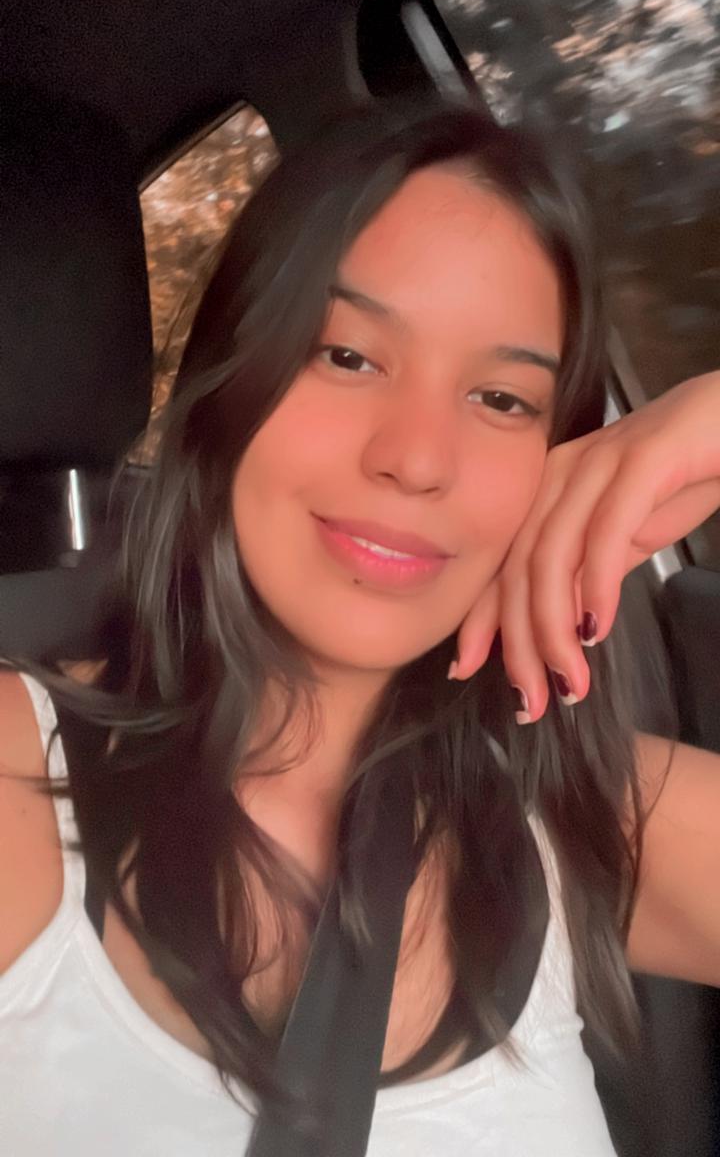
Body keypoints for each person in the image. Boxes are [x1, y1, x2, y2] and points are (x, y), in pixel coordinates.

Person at [1, 102, 719, 1156]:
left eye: (502, 399)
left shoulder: (576, 811)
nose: (417, 458)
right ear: (230, 382)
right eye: (346, 354)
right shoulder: (18, 775)